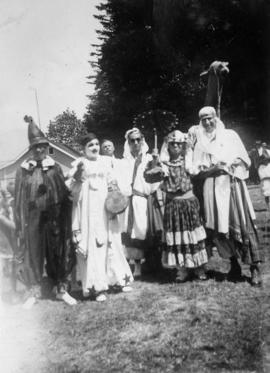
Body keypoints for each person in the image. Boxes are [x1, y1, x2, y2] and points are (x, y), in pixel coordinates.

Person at [192, 106, 263, 286]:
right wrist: (212, 169)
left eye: (210, 118)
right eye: (204, 120)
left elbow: (245, 159)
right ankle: (234, 266)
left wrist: (234, 162)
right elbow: (196, 171)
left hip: (232, 184)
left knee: (242, 223)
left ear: (216, 118)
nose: (207, 122)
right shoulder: (200, 142)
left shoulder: (230, 135)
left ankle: (255, 268)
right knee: (219, 229)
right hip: (211, 188)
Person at [14, 116, 77, 308]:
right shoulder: (24, 171)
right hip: (33, 219)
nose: (39, 150)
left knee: (58, 252)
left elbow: (64, 192)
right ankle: (33, 291)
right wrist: (20, 221)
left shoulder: (54, 167)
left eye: (42, 146)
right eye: (36, 147)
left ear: (46, 147)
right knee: (33, 253)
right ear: (31, 150)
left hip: (55, 218)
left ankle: (61, 289)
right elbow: (18, 199)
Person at [66, 133, 133, 302]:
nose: (95, 147)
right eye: (91, 145)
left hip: (106, 208)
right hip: (90, 211)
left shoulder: (105, 162)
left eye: (96, 144)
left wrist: (114, 197)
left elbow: (112, 182)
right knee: (95, 246)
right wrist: (78, 177)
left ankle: (118, 280)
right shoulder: (79, 164)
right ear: (83, 149)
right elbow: (73, 192)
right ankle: (97, 288)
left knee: (113, 242)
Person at [145, 130, 208, 281]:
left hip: (189, 203)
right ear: (167, 145)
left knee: (192, 235)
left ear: (183, 145)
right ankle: (182, 269)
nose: (175, 146)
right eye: (172, 143)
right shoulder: (163, 164)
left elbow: (198, 172)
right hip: (172, 205)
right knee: (177, 237)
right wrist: (154, 162)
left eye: (179, 143)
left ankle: (199, 268)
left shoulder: (189, 162)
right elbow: (150, 178)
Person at [120, 127, 162, 278]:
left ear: (143, 140)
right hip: (128, 201)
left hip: (144, 200)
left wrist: (156, 166)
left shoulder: (150, 158)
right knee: (130, 232)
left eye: (139, 139)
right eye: (132, 140)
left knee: (143, 230)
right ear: (128, 142)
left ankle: (150, 263)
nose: (136, 143)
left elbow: (156, 182)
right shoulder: (123, 162)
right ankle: (133, 265)